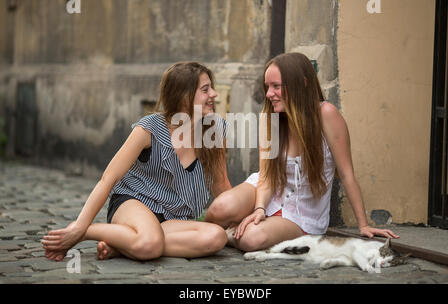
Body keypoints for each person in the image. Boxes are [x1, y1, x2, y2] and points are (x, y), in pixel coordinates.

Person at [205, 52, 399, 252]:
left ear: (303, 83)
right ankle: (216, 232)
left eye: (276, 86)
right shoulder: (269, 118)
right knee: (220, 208)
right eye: (268, 86)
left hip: (301, 212)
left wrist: (363, 224)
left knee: (251, 240)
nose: (269, 93)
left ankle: (224, 235)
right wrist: (260, 209)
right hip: (267, 191)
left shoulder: (327, 115)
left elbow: (347, 173)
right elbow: (267, 176)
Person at [42, 62, 232, 261]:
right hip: (134, 204)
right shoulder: (149, 129)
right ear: (184, 96)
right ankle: (89, 232)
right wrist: (80, 226)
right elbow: (108, 179)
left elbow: (221, 185)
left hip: (172, 218)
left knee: (216, 237)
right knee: (150, 245)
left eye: (211, 88)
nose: (214, 94)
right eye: (205, 89)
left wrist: (244, 219)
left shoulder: (213, 132)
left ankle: (125, 244)